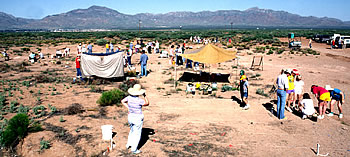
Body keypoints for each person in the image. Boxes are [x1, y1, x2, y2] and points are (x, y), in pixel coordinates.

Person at [121, 84, 149, 154]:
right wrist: (145, 96)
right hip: (137, 117)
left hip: (130, 116)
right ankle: (134, 149)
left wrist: (128, 108)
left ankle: (129, 144)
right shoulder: (139, 100)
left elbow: (122, 101)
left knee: (132, 131)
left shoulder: (129, 97)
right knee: (137, 133)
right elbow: (147, 103)